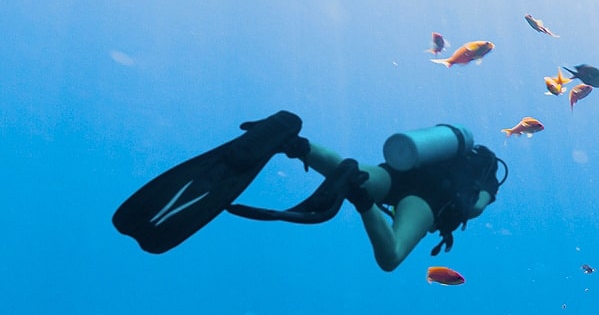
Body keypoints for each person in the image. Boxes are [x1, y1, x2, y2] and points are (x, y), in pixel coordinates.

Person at [114, 111, 504, 269]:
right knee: (391, 255)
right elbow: (474, 208)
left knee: (359, 172)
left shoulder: (451, 150)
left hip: (401, 171)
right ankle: (360, 198)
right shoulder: (486, 180)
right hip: (426, 198)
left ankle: (295, 144)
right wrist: (474, 202)